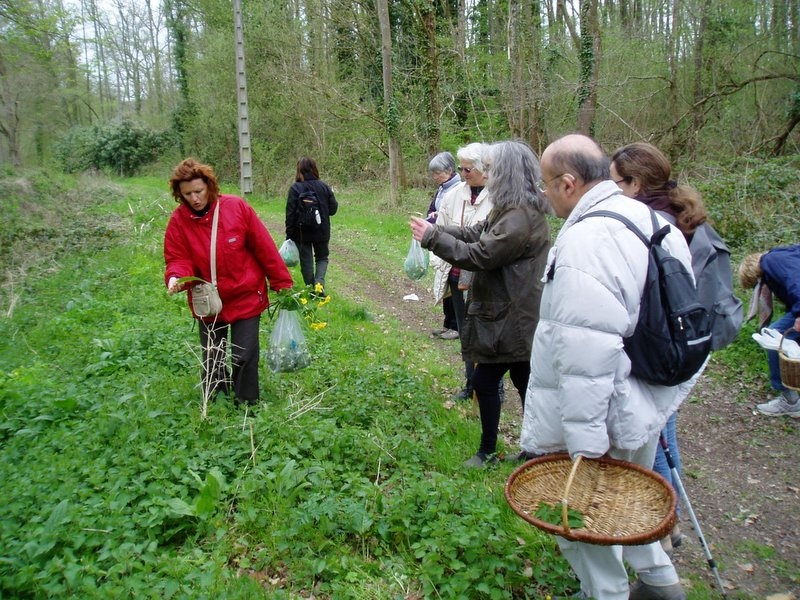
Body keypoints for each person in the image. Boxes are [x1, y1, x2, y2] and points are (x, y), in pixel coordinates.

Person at [520, 134, 689, 600]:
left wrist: (586, 445)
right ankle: (660, 584)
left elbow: (586, 353)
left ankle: (606, 594)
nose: (545, 195)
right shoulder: (651, 220)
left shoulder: (587, 241)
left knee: (583, 514)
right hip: (644, 396)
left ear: (568, 183)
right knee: (625, 502)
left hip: (606, 408)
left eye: (546, 185)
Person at [610, 141, 735, 554]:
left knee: (653, 431)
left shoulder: (653, 224)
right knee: (664, 429)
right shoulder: (683, 215)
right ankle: (669, 518)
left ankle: (663, 523)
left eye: (615, 183)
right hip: (690, 343)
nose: (611, 191)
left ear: (635, 184)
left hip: (665, 345)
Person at [411, 140, 551, 468]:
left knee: (487, 381)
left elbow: (481, 255)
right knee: (524, 382)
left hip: (513, 317)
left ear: (506, 172)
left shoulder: (520, 217)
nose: (486, 174)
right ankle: (536, 450)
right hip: (512, 313)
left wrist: (432, 239)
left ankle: (489, 452)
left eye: (491, 168)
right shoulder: (510, 209)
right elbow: (475, 233)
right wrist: (436, 229)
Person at [164, 158, 293, 406]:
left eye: (199, 191)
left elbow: (264, 247)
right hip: (209, 301)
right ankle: (217, 403)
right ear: (180, 194)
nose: (195, 199)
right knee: (212, 357)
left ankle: (246, 404)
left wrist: (282, 284)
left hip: (245, 294)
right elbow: (178, 257)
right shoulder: (179, 221)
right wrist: (176, 277)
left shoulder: (236, 208)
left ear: (210, 186)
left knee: (244, 355)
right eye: (187, 194)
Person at [429, 143, 494, 398]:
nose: (463, 174)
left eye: (468, 169)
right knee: (466, 333)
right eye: (461, 168)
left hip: (486, 278)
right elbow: (441, 227)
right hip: (458, 275)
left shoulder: (499, 196)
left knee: (485, 335)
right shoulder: (454, 195)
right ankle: (470, 384)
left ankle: (491, 388)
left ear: (484, 169)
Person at [738, 245, 800, 417]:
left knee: (774, 337)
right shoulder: (782, 255)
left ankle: (790, 401)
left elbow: (796, 282)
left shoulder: (770, 261)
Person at [285, 157, 338, 290]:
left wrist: (289, 236)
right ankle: (319, 285)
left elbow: (290, 214)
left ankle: (310, 289)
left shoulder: (295, 188)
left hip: (301, 233)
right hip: (322, 230)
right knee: (322, 258)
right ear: (314, 169)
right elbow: (333, 209)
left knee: (306, 262)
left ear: (299, 170)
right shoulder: (324, 187)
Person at [425, 152, 461, 340]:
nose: (435, 177)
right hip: (440, 238)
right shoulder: (442, 189)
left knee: (454, 283)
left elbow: (455, 217)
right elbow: (433, 209)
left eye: (437, 173)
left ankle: (456, 326)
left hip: (453, 241)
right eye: (433, 173)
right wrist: (432, 216)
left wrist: (438, 218)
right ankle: (448, 324)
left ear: (449, 170)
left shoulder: (458, 189)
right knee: (444, 282)